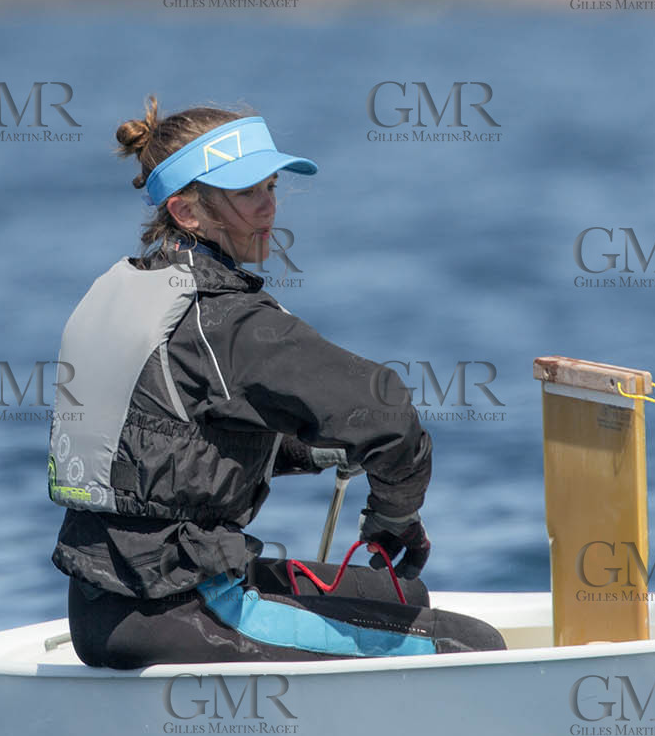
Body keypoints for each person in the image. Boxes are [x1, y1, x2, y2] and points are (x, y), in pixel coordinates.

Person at [46, 97, 505, 668]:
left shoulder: (124, 292)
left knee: (402, 597)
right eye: (246, 194)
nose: (269, 208)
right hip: (181, 605)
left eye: (270, 187)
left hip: (108, 601)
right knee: (474, 646)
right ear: (187, 212)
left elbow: (175, 447)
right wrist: (394, 519)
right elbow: (389, 416)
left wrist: (318, 451)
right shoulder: (223, 319)